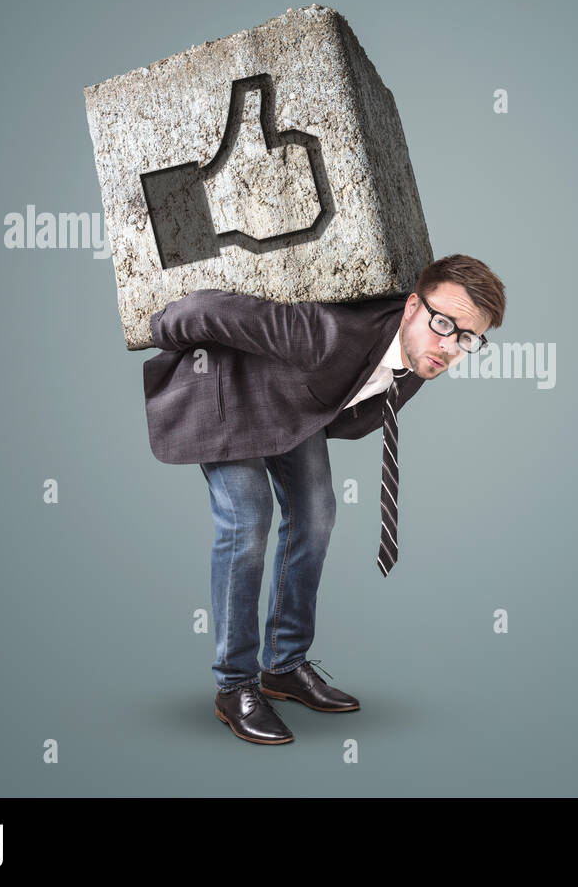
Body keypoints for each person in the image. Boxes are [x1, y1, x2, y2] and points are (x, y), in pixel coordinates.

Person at [143, 254, 506, 744]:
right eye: (443, 323)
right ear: (413, 306)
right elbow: (209, 307)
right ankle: (234, 685)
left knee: (315, 516)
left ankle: (284, 665)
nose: (449, 345)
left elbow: (356, 409)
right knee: (248, 520)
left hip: (293, 401)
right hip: (226, 389)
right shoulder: (327, 333)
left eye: (467, 338)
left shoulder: (423, 361)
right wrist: (160, 326)